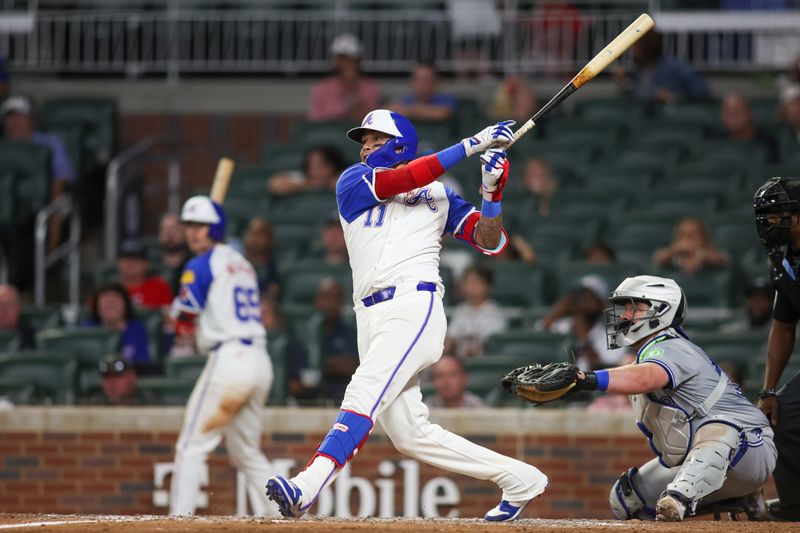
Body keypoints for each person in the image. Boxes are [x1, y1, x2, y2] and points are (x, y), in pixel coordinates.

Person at [266, 110, 547, 521]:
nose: (365, 147)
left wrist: (492, 192)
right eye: (363, 141)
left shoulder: (440, 194)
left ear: (399, 143)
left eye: (375, 140)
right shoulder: (353, 180)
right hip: (369, 315)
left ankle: (308, 484)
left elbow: (491, 242)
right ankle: (519, 478)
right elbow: (402, 180)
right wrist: (473, 143)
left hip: (415, 305)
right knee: (410, 434)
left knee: (364, 388)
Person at [566, 275, 775, 521]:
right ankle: (738, 499)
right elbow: (634, 373)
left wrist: (586, 379)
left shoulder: (671, 346)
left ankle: (682, 498)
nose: (624, 316)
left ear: (661, 310)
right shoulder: (645, 355)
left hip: (749, 448)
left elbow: (645, 378)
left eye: (634, 308)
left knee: (718, 430)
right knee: (628, 500)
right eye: (626, 308)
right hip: (703, 459)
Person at [167, 195, 277, 516]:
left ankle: (179, 520)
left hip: (229, 360)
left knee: (190, 446)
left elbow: (186, 319)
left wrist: (174, 315)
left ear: (215, 228)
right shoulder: (241, 261)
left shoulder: (200, 264)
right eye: (190, 226)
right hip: (259, 361)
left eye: (201, 226)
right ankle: (285, 512)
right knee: (246, 454)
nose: (193, 233)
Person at [752, 177, 800, 521]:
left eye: (778, 213)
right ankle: (796, 507)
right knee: (783, 413)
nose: (769, 222)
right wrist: (769, 388)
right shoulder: (787, 263)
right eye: (766, 215)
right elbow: (783, 326)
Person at [1, 96, 76, 250]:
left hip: (42, 201)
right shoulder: (3, 146)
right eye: (9, 117)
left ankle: (49, 257)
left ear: (32, 119)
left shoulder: (50, 143)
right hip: (7, 202)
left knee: (57, 195)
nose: (14, 122)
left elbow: (63, 177)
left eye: (19, 116)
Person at [289, 278, 359, 404]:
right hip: (308, 404)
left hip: (342, 400)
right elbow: (296, 382)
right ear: (316, 301)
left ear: (341, 302)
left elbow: (355, 366)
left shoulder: (351, 333)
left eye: (334, 298)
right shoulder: (302, 334)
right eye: (324, 298)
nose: (328, 304)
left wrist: (323, 366)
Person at [541, 275, 625, 369]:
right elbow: (537, 340)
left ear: (602, 303)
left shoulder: (612, 337)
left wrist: (584, 339)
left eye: (590, 296)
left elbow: (603, 370)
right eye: (580, 295)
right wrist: (558, 312)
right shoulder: (563, 325)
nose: (584, 301)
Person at [613, 30, 710, 105]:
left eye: (636, 47)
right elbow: (641, 93)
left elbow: (702, 89)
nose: (633, 51)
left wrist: (672, 96)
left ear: (647, 47)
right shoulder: (638, 70)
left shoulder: (673, 67)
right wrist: (624, 83)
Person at [308, 34, 381, 122]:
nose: (346, 63)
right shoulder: (322, 88)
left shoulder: (370, 88)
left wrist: (351, 89)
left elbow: (369, 121)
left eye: (351, 59)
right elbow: (315, 121)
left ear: (359, 61)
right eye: (342, 58)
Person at [444, 266, 508, 358]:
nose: (471, 286)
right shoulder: (460, 310)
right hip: (459, 361)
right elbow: (450, 340)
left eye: (476, 282)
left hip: (485, 360)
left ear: (488, 285)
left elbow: (492, 344)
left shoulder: (495, 313)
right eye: (468, 282)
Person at [83, 283, 151, 367]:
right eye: (105, 296)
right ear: (96, 306)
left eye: (116, 296)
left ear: (126, 305)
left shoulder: (138, 329)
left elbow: (142, 365)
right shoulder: (87, 330)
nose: (110, 300)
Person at [714, 93, 780, 163]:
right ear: (723, 117)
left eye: (737, 112)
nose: (733, 117)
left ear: (749, 113)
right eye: (728, 113)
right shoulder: (716, 141)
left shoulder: (767, 142)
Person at [652, 217, 729, 275]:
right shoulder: (671, 257)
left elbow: (723, 259)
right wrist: (674, 250)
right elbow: (657, 258)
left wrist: (700, 255)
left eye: (692, 234)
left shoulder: (710, 254)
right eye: (682, 234)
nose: (686, 238)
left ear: (702, 237)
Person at [388, 62, 458, 123]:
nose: (421, 84)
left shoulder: (446, 99)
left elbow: (442, 114)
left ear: (436, 82)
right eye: (417, 79)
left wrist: (411, 111)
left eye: (425, 79)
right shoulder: (406, 99)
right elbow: (389, 111)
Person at [267, 145, 347, 197]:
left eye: (320, 165)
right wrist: (308, 185)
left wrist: (327, 184)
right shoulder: (303, 178)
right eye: (311, 165)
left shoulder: (344, 176)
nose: (315, 170)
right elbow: (275, 184)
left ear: (332, 165)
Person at [116, 240, 174, 311]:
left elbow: (168, 316)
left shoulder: (160, 287)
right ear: (118, 263)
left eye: (136, 259)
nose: (131, 263)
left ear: (147, 264)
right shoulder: (112, 290)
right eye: (126, 259)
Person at [242, 217, 280, 301]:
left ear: (270, 239)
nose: (255, 239)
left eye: (260, 234)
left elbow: (273, 295)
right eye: (252, 233)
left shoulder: (274, 268)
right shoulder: (236, 262)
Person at [159, 213, 191, 295]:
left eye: (174, 229)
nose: (169, 233)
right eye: (165, 229)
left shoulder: (193, 262)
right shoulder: (149, 261)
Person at [0, 284, 35, 349]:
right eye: (0, 305)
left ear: (18, 307)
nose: (4, 310)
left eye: (9, 304)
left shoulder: (33, 338)